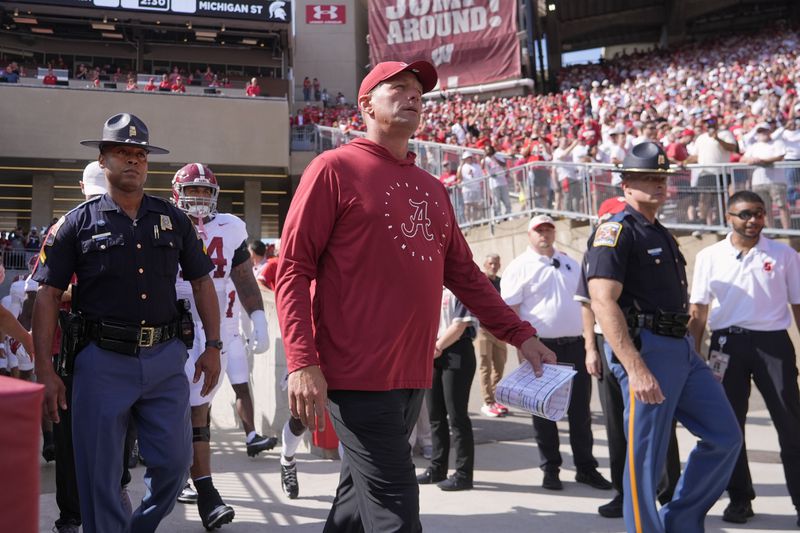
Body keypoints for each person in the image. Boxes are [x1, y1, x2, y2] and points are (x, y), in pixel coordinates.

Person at [275, 60, 555, 532]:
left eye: (418, 92)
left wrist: (520, 335)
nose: (412, 97)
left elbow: (465, 275)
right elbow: (293, 270)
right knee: (397, 513)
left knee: (355, 505)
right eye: (398, 88)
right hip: (353, 373)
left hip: (410, 373)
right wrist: (302, 361)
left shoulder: (432, 188)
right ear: (366, 104)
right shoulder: (332, 169)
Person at [31, 113, 222, 533]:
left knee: (174, 464)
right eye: (122, 153)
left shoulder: (171, 219)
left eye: (140, 155)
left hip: (165, 360)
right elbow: (46, 297)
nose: (133, 161)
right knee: (99, 479)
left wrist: (214, 345)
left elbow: (202, 281)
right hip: (101, 362)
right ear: (103, 161)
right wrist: (45, 369)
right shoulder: (76, 224)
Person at [585, 141, 742, 533]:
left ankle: (680, 522)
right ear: (626, 185)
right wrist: (635, 368)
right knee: (645, 461)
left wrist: (692, 350)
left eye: (662, 178)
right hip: (646, 349)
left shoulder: (660, 232)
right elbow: (603, 301)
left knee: (725, 436)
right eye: (648, 178)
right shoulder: (616, 230)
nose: (658, 184)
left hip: (681, 349)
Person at [688, 190, 800, 528]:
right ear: (729, 217)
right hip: (726, 347)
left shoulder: (784, 254)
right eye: (745, 214)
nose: (753, 220)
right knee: (729, 427)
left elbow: (798, 305)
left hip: (773, 346)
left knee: (791, 427)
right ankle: (740, 499)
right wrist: (692, 358)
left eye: (759, 213)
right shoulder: (710, 256)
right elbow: (698, 310)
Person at [170, 163, 272, 529]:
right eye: (191, 191)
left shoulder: (230, 228)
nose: (197, 199)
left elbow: (243, 276)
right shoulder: (162, 220)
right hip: (167, 328)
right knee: (169, 412)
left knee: (198, 408)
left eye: (203, 192)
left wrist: (257, 316)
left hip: (213, 332)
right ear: (177, 194)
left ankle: (204, 491)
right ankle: (174, 477)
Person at [578, 197, 681, 519]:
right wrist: (590, 349)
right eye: (607, 217)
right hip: (605, 343)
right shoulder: (596, 250)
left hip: (635, 342)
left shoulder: (634, 240)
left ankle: (667, 490)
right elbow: (587, 303)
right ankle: (625, 493)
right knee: (616, 423)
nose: (613, 222)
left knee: (655, 419)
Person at [502, 214, 612, 492]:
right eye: (539, 230)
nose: (545, 234)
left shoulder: (570, 263)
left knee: (580, 411)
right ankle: (550, 468)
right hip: (542, 347)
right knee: (544, 411)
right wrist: (520, 348)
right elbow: (512, 311)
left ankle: (586, 468)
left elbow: (587, 304)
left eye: (549, 229)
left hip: (575, 344)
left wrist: (589, 346)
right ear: (529, 234)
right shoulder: (520, 266)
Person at [417, 288, 478, 491]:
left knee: (457, 417)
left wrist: (436, 348)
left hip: (456, 351)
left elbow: (460, 325)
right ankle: (437, 468)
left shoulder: (459, 288)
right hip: (433, 352)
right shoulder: (433, 286)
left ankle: (463, 474)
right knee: (435, 415)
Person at [476, 253, 508, 418]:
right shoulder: (481, 280)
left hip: (499, 331)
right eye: (490, 263)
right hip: (483, 330)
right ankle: (488, 402)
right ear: (485, 264)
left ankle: (496, 399)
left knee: (500, 365)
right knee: (485, 367)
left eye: (496, 263)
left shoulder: (501, 282)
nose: (493, 266)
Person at [742, 123, 789, 229]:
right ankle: (771, 231)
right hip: (759, 182)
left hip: (776, 181)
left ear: (769, 132)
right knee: (764, 209)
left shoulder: (777, 143)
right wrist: (751, 160)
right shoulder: (754, 146)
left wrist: (762, 161)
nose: (762, 133)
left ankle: (787, 231)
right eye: (760, 131)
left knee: (782, 206)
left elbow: (779, 157)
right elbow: (743, 159)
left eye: (764, 130)